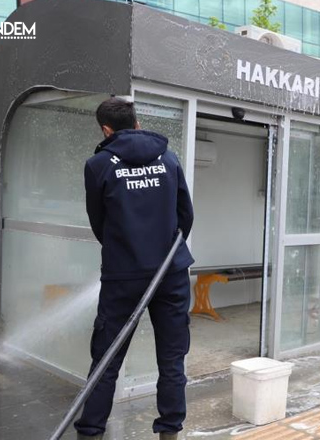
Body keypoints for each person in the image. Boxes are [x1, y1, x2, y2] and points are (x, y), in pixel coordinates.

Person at [75, 96, 194, 440]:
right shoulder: (168, 159)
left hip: (123, 277)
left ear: (106, 130)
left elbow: (99, 222)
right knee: (171, 358)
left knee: (106, 360)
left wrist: (127, 250)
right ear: (137, 123)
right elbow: (186, 216)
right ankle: (169, 430)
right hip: (171, 274)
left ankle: (91, 431)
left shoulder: (98, 166)